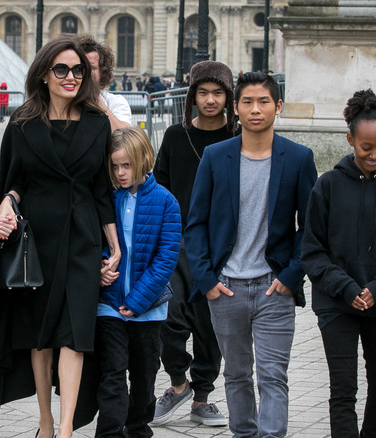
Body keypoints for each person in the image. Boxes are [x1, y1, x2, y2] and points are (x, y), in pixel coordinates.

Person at [0, 34, 121, 438]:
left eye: (78, 70)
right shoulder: (22, 123)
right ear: (44, 74)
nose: (71, 77)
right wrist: (5, 203)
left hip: (83, 237)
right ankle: (46, 421)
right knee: (41, 335)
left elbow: (102, 191)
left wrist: (115, 245)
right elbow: (12, 182)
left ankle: (66, 426)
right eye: (62, 69)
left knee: (75, 331)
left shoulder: (97, 122)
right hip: (36, 242)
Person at [184, 72, 317, 438]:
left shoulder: (299, 158)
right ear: (235, 109)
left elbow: (310, 227)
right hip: (226, 288)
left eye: (263, 102)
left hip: (274, 287)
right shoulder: (215, 156)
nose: (255, 109)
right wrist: (207, 279)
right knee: (237, 374)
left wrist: (291, 276)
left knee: (274, 375)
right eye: (247, 102)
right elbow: (195, 222)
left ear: (278, 106)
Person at [300, 89, 376, 438]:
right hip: (337, 303)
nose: (374, 155)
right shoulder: (327, 186)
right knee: (343, 391)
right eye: (366, 147)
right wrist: (348, 288)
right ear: (350, 139)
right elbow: (312, 249)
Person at [151, 60, 238, 427]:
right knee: (169, 318)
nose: (210, 99)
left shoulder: (238, 138)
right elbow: (159, 187)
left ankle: (203, 397)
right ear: (192, 96)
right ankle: (177, 383)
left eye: (218, 92)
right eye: (203, 92)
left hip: (221, 245)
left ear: (228, 97)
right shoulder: (175, 136)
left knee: (209, 323)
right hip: (177, 239)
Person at [94, 126, 181, 438]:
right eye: (114, 166)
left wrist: (138, 301)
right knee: (113, 372)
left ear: (145, 159)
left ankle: (138, 427)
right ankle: (108, 432)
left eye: (126, 165)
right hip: (109, 305)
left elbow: (166, 257)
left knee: (144, 374)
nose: (120, 173)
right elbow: (93, 240)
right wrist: (98, 269)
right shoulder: (105, 198)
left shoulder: (166, 202)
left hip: (148, 308)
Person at [76, 34, 132, 131]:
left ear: (102, 71)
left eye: (92, 67)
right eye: (81, 67)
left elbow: (124, 137)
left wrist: (94, 99)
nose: (86, 72)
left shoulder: (115, 102)